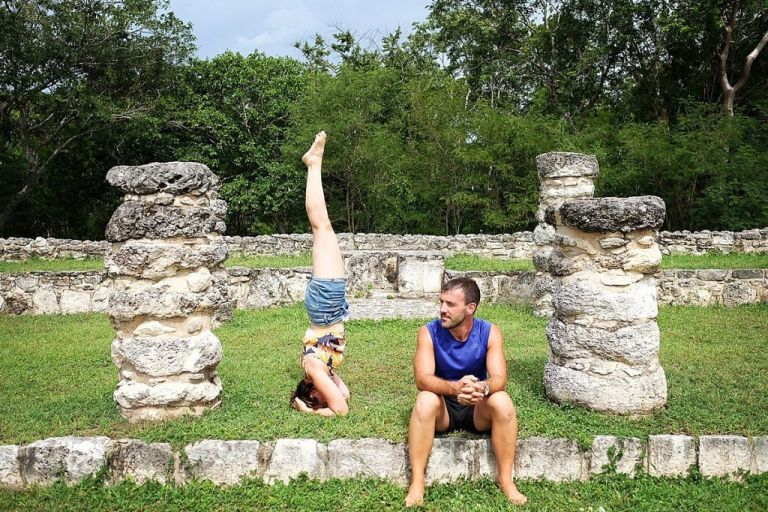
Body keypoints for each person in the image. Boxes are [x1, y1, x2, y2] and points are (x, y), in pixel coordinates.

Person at [405, 277, 528, 506]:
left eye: (450, 304)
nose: (442, 309)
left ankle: (506, 481)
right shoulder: (428, 332)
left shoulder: (490, 332)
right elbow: (422, 380)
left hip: (476, 406)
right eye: (441, 302)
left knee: (502, 400)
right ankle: (417, 483)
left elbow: (500, 378)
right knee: (424, 400)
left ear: (470, 308)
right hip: (444, 408)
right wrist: (455, 387)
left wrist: (482, 388)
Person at [290, 131, 350, 417]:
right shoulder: (321, 371)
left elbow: (341, 409)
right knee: (323, 230)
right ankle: (314, 164)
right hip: (330, 308)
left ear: (313, 393)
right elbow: (344, 395)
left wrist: (307, 410)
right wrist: (330, 386)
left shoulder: (314, 368)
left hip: (326, 307)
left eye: (321, 397)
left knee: (322, 228)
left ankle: (314, 164)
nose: (330, 394)